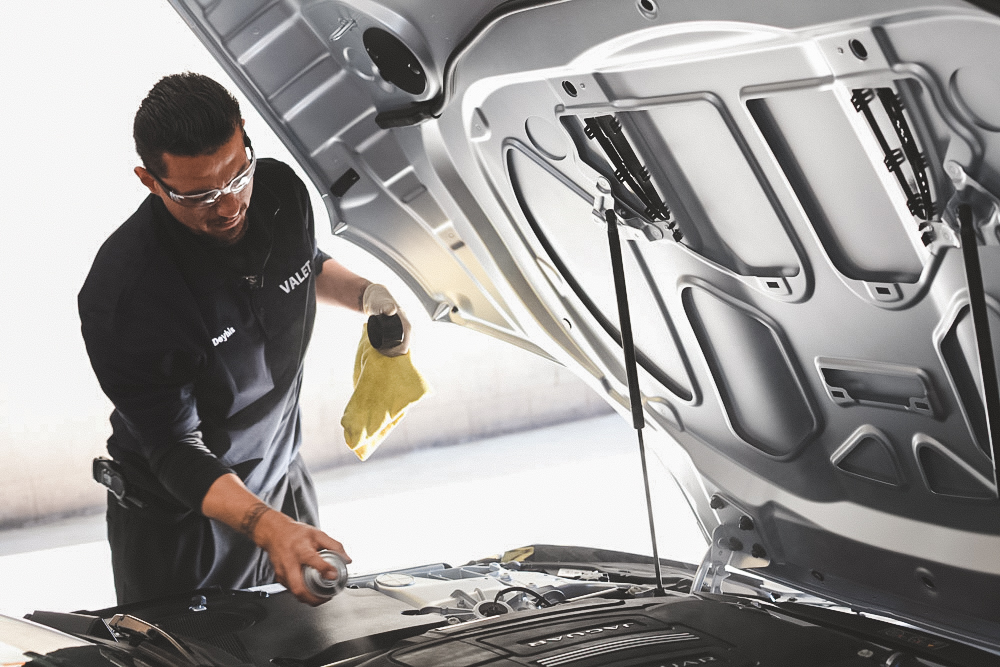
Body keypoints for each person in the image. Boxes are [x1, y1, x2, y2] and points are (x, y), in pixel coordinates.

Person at [78, 72, 410, 606]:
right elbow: (174, 449)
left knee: (310, 643)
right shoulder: (127, 293)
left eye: (237, 176)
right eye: (200, 194)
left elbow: (303, 264)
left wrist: (368, 295)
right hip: (184, 520)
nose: (229, 206)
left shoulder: (279, 192)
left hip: (280, 478)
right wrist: (264, 525)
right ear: (150, 180)